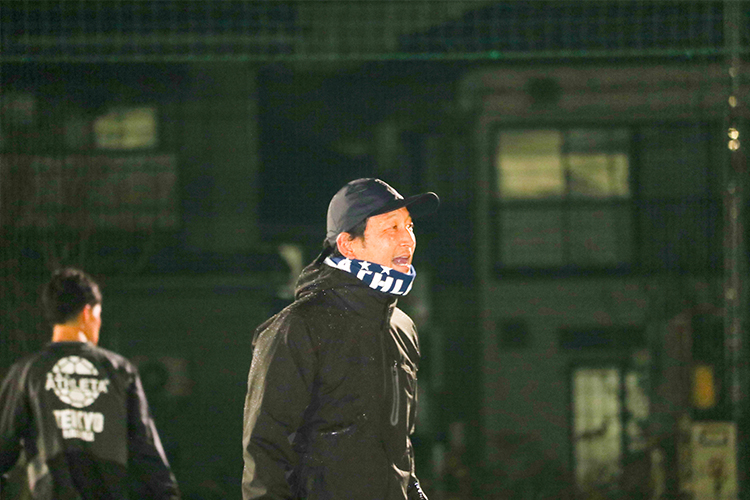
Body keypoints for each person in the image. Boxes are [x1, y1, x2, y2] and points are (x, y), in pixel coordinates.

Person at [242, 178, 439, 500]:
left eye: (409, 226)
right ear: (348, 245)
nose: (407, 239)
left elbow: (400, 449)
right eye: (391, 228)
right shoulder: (298, 326)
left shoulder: (401, 326)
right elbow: (266, 452)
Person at [0, 267, 180, 499]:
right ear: (87, 312)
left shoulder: (27, 372)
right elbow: (146, 452)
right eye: (99, 314)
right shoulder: (120, 371)